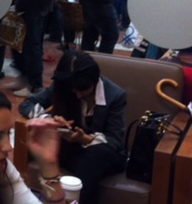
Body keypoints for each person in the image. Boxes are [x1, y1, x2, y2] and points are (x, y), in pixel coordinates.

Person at [19, 51, 127, 204]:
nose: (78, 96)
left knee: (95, 155)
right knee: (86, 168)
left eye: (83, 91)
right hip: (75, 152)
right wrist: (48, 120)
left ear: (94, 81)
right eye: (74, 90)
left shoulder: (115, 96)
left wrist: (87, 140)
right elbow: (27, 104)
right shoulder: (63, 86)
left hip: (106, 155)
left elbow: (115, 141)